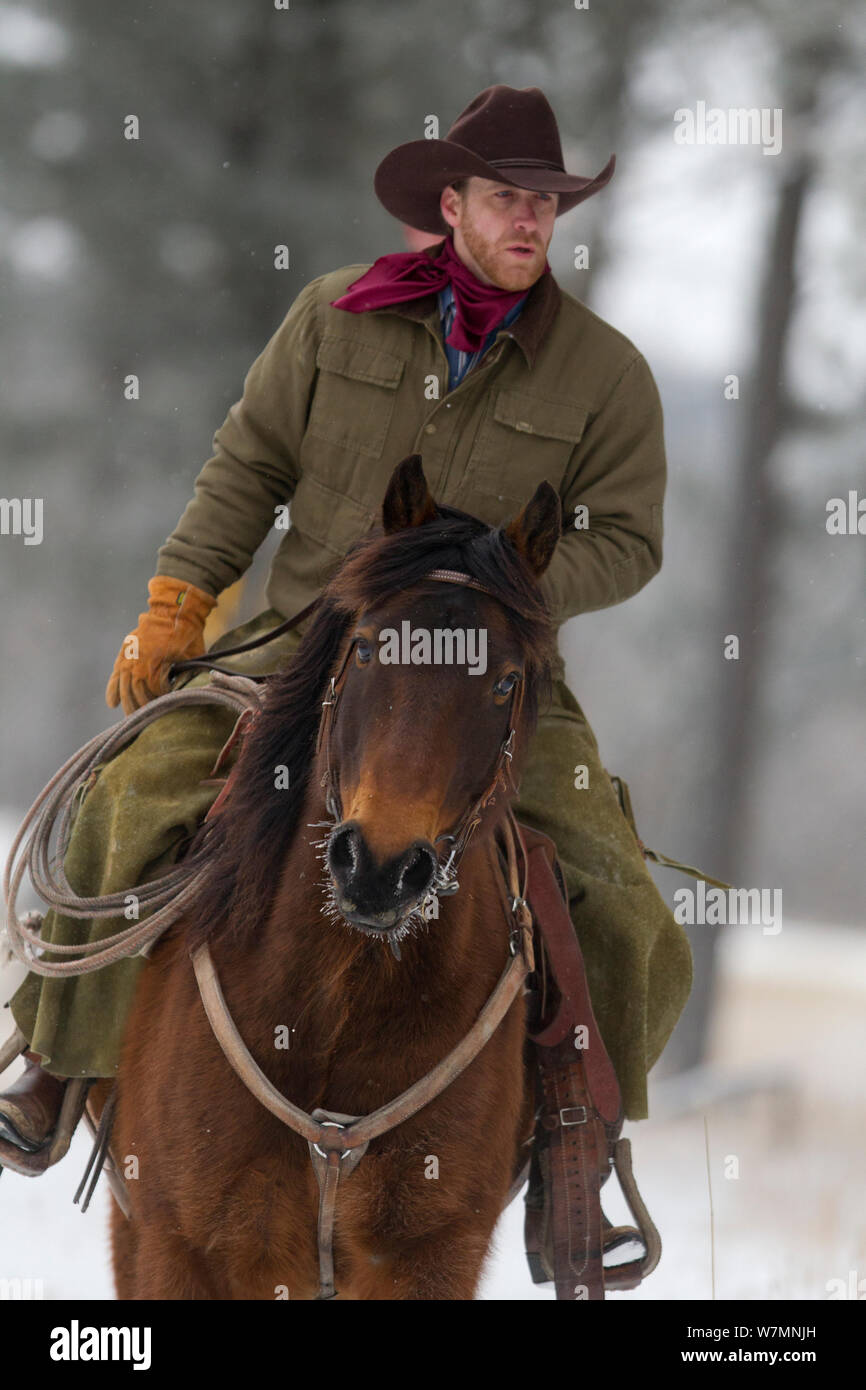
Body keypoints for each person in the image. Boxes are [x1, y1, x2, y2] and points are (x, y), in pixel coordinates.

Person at [0, 84, 691, 1164]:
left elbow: (631, 538)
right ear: (450, 204)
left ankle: (575, 1150)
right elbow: (249, 465)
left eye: (545, 204)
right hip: (295, 651)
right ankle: (60, 1062)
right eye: (506, 198)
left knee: (620, 897)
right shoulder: (333, 315)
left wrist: (508, 596)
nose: (527, 221)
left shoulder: (606, 375)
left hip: (489, 676)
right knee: (126, 796)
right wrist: (179, 599)